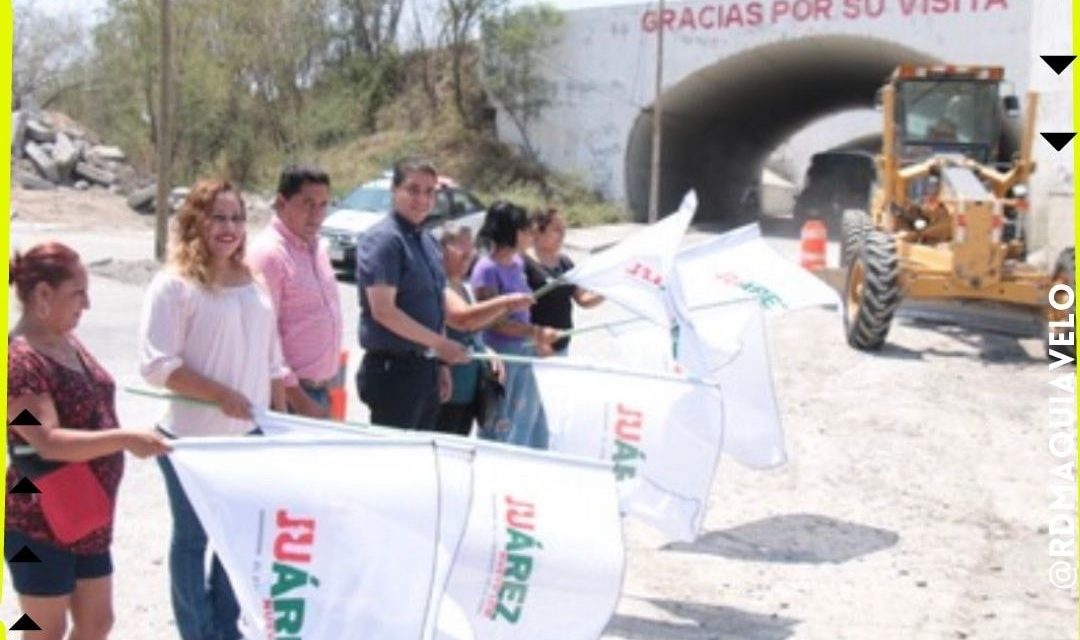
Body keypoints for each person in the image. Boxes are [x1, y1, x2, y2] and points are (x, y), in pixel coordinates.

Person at [139, 179, 290, 640]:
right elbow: (157, 365)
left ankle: (226, 628)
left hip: (247, 440)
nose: (229, 228)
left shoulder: (253, 282)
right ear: (196, 222)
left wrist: (281, 426)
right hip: (191, 442)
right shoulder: (174, 286)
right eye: (218, 217)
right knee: (192, 541)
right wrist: (219, 394)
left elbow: (273, 362)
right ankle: (196, 630)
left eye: (237, 218)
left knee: (238, 540)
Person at [6, 242, 170, 640]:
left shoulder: (67, 342)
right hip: (38, 519)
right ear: (43, 294)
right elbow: (45, 441)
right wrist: (125, 438)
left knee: (98, 623)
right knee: (44, 630)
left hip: (85, 516)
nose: (88, 304)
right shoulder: (18, 361)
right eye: (78, 293)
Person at [354, 157, 469, 430]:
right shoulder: (385, 240)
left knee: (417, 463)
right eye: (413, 189)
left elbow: (435, 304)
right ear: (394, 190)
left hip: (424, 369)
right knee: (392, 465)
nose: (422, 199)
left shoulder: (427, 240)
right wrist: (441, 346)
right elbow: (384, 311)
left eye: (429, 192)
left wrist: (440, 362)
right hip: (394, 371)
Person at [247, 165, 342, 418]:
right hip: (289, 398)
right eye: (308, 204)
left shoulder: (318, 247)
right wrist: (297, 399)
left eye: (323, 205)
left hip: (320, 391)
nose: (317, 215)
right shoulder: (269, 255)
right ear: (281, 202)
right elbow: (265, 336)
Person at [471, 201, 558, 449]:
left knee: (526, 419)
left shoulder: (518, 264)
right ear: (512, 232)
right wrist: (536, 332)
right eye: (526, 230)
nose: (531, 236)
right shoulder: (487, 269)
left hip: (524, 351)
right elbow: (494, 322)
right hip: (501, 357)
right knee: (500, 421)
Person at [437, 225, 533, 436]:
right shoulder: (440, 287)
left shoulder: (461, 287)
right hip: (449, 392)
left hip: (468, 392)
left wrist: (486, 351)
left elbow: (473, 332)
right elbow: (465, 319)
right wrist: (506, 303)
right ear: (442, 250)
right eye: (459, 246)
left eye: (470, 247)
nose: (467, 254)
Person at [524, 207, 603, 355]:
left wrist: (608, 290)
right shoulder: (524, 264)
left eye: (564, 230)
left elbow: (583, 299)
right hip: (534, 348)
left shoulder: (565, 262)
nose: (562, 235)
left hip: (561, 346)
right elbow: (517, 312)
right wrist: (538, 341)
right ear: (538, 231)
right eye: (556, 230)